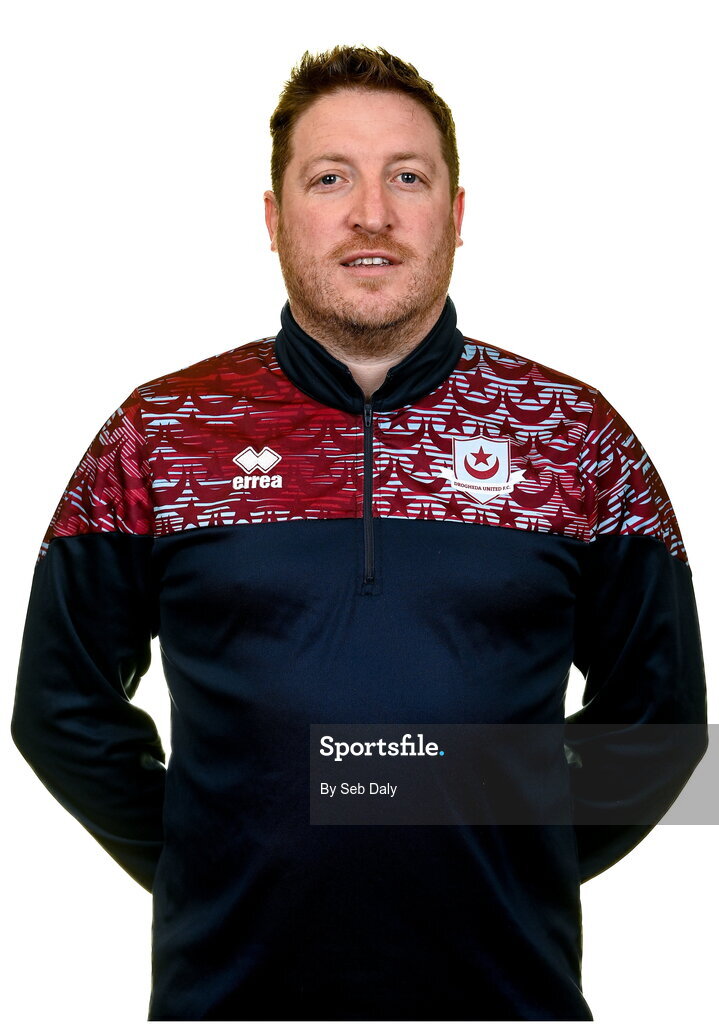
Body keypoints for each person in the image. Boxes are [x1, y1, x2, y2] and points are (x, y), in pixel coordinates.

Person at [11, 44, 707, 1022]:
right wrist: (206, 852)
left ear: (456, 217)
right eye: (329, 176)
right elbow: (59, 706)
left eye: (406, 177)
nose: (369, 213)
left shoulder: (574, 436)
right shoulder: (161, 434)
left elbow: (661, 726)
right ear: (273, 217)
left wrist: (507, 845)